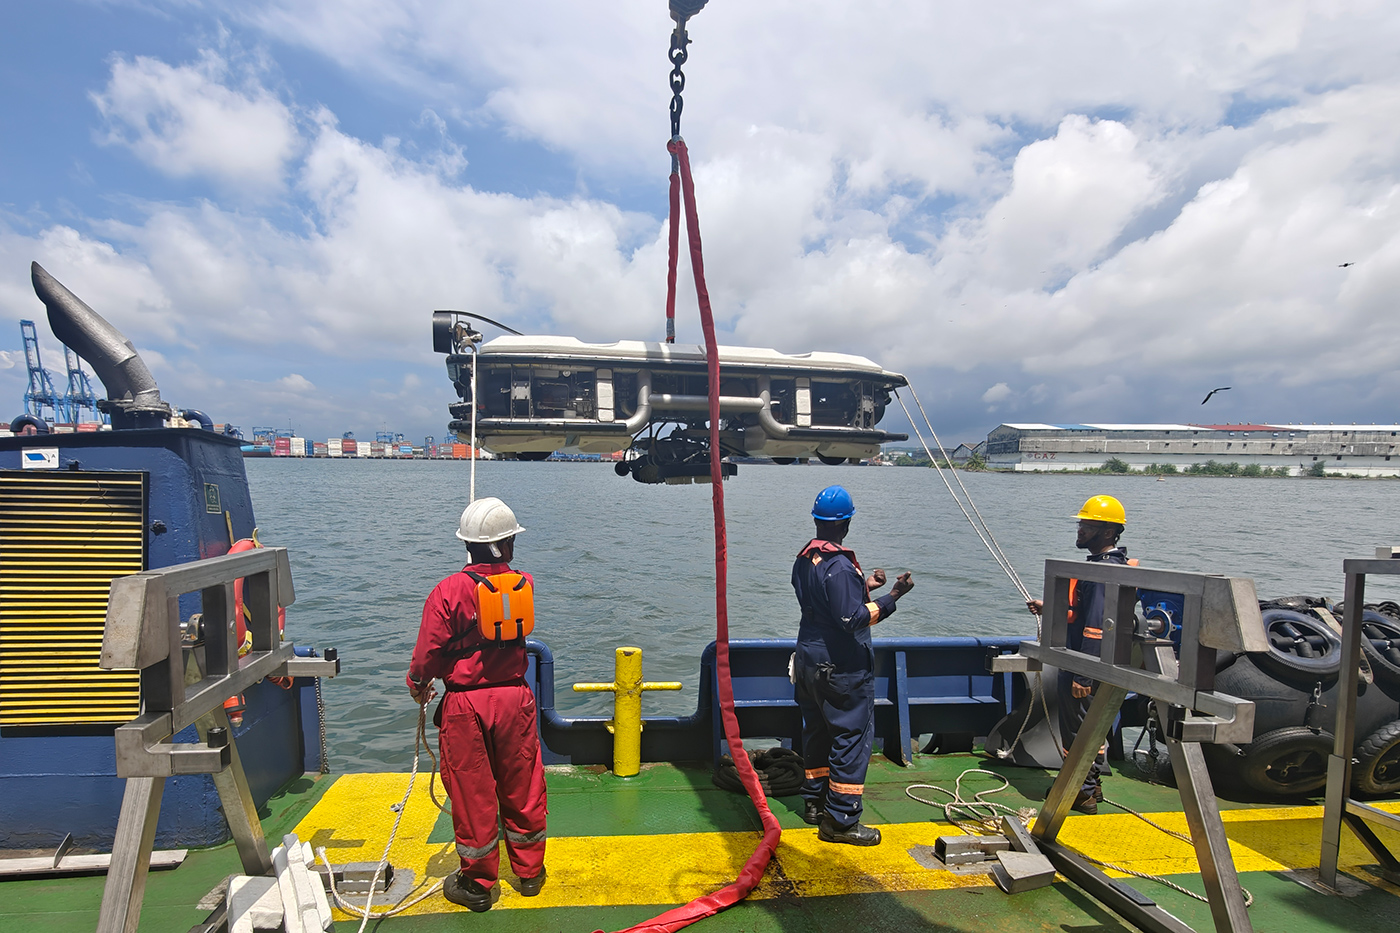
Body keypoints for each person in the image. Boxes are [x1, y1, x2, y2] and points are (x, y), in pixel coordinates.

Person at [407, 496, 547, 911]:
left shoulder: (447, 591)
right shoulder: (526, 582)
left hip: (466, 705)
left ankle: (478, 884)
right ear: (508, 544)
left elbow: (426, 657)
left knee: (473, 792)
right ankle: (530, 873)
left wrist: (418, 685)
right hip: (515, 698)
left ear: (467, 544)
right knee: (523, 783)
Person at [792, 485, 914, 846]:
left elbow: (823, 603)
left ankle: (815, 803)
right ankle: (842, 820)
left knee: (816, 729)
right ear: (845, 523)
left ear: (817, 521)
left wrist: (864, 585)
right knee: (850, 736)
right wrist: (891, 597)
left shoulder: (806, 558)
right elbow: (851, 619)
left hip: (809, 659)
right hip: (840, 665)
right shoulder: (840, 566)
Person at [1027, 494, 1130, 814]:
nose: (1081, 529)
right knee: (1092, 729)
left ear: (1110, 532)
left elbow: (1097, 627)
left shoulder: (1104, 572)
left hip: (1086, 665)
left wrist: (1083, 674)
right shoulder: (1105, 566)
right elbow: (1085, 612)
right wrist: (1050, 608)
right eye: (1082, 523)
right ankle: (1092, 785)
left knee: (1079, 729)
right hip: (1094, 663)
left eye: (1089, 524)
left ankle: (1080, 792)